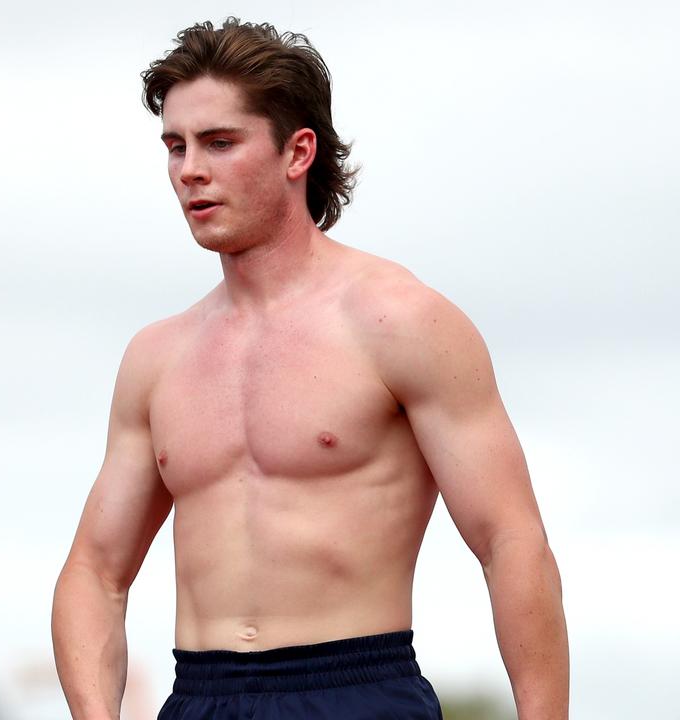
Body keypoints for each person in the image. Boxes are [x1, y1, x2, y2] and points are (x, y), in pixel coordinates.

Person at [52, 18, 567, 720]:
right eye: (175, 146)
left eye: (220, 142)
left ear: (298, 153)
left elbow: (511, 540)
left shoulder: (403, 322)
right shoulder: (157, 356)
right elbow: (95, 571)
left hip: (356, 687)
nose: (189, 169)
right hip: (200, 697)